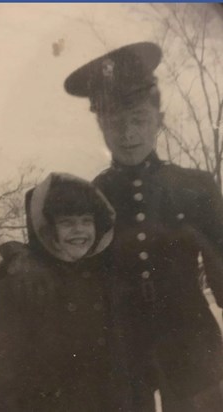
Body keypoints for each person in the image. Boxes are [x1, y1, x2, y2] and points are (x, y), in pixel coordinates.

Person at [64, 42, 223, 411]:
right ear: (100, 125)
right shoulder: (92, 197)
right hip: (121, 351)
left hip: (192, 345)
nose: (128, 134)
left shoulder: (195, 186)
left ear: (159, 119)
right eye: (114, 123)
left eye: (138, 119)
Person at [0, 172, 121, 412]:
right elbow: (6, 369)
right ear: (48, 229)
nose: (79, 231)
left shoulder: (100, 275)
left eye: (86, 220)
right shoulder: (21, 279)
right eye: (67, 223)